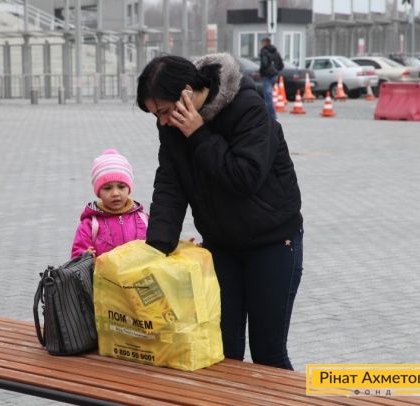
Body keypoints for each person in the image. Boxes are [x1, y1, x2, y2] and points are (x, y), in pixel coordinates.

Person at [136, 53, 303, 370]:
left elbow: (245, 178)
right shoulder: (173, 125)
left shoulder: (248, 108)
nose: (163, 121)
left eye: (164, 111)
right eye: (156, 115)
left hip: (272, 243)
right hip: (221, 246)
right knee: (223, 352)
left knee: (268, 353)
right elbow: (170, 185)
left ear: (187, 92)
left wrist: (198, 134)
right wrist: (158, 249)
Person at [71, 149, 148, 259]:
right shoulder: (90, 225)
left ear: (129, 189)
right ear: (98, 193)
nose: (115, 193)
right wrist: (84, 256)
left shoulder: (144, 219)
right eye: (107, 188)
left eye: (121, 187)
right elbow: (76, 257)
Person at [259, 37, 284, 120]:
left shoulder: (263, 51)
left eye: (262, 43)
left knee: (268, 96)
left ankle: (272, 116)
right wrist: (275, 70)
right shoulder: (276, 52)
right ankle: (268, 114)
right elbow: (281, 65)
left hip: (267, 76)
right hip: (274, 76)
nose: (261, 45)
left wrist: (261, 71)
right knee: (268, 96)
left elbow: (264, 64)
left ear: (265, 43)